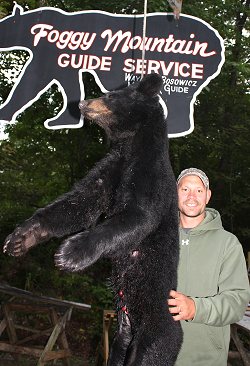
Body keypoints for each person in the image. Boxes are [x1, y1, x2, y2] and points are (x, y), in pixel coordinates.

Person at [168, 167, 250, 366]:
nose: (191, 196)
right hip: (158, 355)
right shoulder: (158, 239)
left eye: (199, 190)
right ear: (174, 193)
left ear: (208, 196)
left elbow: (237, 302)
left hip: (205, 359)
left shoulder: (228, 244)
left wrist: (196, 309)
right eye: (185, 189)